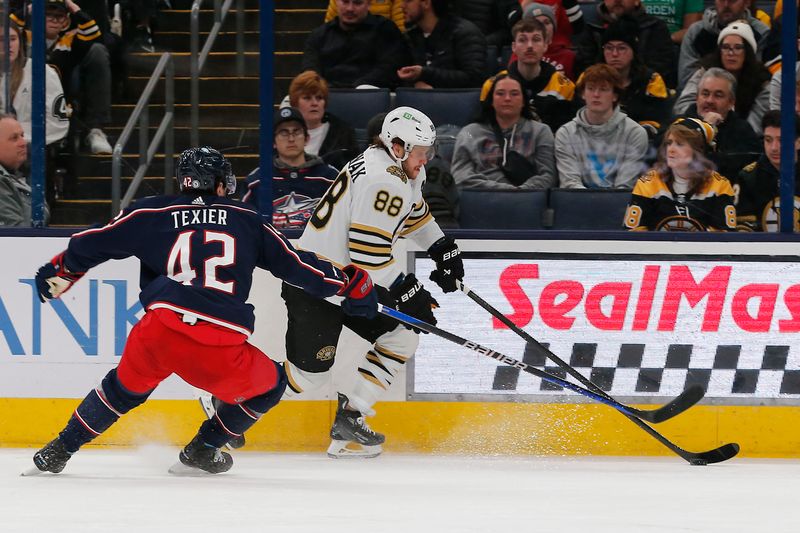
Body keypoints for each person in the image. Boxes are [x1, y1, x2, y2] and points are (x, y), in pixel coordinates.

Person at [26, 146, 380, 475]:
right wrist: (348, 283)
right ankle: (202, 449)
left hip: (159, 329)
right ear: (222, 183)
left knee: (120, 391)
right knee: (270, 386)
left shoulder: (151, 212)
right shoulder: (247, 219)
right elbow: (298, 268)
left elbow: (91, 243)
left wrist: (62, 271)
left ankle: (56, 451)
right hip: (217, 341)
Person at [207, 107, 465, 458]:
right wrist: (408, 289)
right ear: (399, 145)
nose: (426, 159)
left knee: (402, 338)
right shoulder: (382, 180)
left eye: (428, 151)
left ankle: (351, 415)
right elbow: (367, 254)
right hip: (317, 284)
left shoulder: (396, 167)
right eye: (422, 151)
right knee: (309, 377)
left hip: (348, 284)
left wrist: (442, 248)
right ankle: (225, 396)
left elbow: (414, 213)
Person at [12, 0, 114, 155]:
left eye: (59, 16)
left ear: (66, 22)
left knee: (98, 50)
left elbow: (94, 35)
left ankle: (95, 129)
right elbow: (8, 28)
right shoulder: (26, 38)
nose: (54, 19)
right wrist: (31, 9)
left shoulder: (70, 42)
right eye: (48, 15)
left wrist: (73, 8)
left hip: (61, 100)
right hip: (25, 99)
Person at [623, 117, 736, 231]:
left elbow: (725, 238)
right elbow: (632, 233)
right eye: (669, 143)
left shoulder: (719, 185)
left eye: (680, 144)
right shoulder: (648, 183)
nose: (671, 150)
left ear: (698, 151)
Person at [451, 71, 557, 190]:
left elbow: (548, 176)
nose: (507, 98)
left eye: (514, 94)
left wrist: (522, 192)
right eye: (500, 93)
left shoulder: (541, 131)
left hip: (527, 200)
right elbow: (460, 177)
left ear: (523, 101)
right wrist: (505, 190)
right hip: (482, 199)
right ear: (491, 100)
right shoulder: (469, 133)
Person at [242, 107, 339, 228]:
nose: (291, 139)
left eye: (297, 131)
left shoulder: (331, 177)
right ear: (273, 142)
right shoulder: (256, 181)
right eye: (284, 133)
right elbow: (245, 226)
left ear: (307, 138)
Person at [555, 63, 649, 189]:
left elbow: (625, 186)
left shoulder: (635, 133)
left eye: (603, 89)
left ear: (615, 96)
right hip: (578, 204)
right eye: (591, 88)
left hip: (619, 205)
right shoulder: (565, 133)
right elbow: (570, 183)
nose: (596, 94)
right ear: (583, 94)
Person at [674, 20, 771, 135]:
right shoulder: (705, 72)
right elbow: (682, 106)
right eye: (725, 47)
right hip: (698, 131)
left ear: (748, 51)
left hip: (739, 138)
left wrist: (725, 125)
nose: (731, 53)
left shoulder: (761, 80)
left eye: (738, 47)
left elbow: (755, 127)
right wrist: (704, 121)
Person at [673, 67, 760, 179]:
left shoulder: (743, 131)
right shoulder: (678, 125)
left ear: (731, 102)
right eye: (705, 94)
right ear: (697, 98)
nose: (710, 100)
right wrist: (704, 127)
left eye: (718, 95)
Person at [595, 15, 672, 141]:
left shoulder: (651, 80)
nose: (614, 54)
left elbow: (659, 121)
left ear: (633, 51)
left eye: (621, 48)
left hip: (640, 143)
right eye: (609, 48)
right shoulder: (590, 79)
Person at [302, 0, 412, 89]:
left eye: (357, 3)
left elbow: (389, 67)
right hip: (327, 96)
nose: (350, 8)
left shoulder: (385, 30)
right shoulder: (319, 35)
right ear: (336, 2)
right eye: (345, 2)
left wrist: (359, 86)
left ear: (368, 4)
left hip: (371, 96)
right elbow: (310, 69)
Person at [574, 0, 676, 89]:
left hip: (642, 93)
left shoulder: (654, 27)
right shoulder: (592, 27)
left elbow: (661, 69)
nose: (617, 0)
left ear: (637, 1)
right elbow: (584, 69)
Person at [0, 22, 70, 147]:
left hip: (29, 150)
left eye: (12, 39)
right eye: (1, 40)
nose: (7, 45)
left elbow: (57, 125)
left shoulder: (42, 72)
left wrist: (13, 135)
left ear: (20, 42)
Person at [677, 0, 770, 90]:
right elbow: (686, 80)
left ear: (747, 2)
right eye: (721, 0)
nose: (726, 5)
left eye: (732, 1)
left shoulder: (761, 32)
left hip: (748, 98)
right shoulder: (695, 32)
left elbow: (758, 77)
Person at [506, 18, 576, 133]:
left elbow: (569, 133)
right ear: (514, 47)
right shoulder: (495, 86)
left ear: (545, 45)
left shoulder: (564, 87)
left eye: (536, 40)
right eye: (522, 40)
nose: (529, 46)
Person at [398, 0, 487, 89]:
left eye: (408, 1)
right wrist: (415, 84)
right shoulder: (410, 37)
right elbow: (398, 77)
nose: (402, 6)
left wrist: (424, 74)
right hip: (417, 101)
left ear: (426, 3)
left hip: (456, 100)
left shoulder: (464, 33)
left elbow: (473, 78)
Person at [736, 110, 800, 232]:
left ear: (798, 142)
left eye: (782, 140)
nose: (774, 148)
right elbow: (743, 230)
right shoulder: (748, 177)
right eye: (768, 140)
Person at [286, 71, 359, 171]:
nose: (314, 103)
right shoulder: (283, 134)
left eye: (319, 98)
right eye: (307, 98)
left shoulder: (343, 133)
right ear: (295, 103)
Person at [507, 1, 584, 79]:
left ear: (554, 27)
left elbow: (579, 27)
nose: (543, 28)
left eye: (547, 22)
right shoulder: (520, 53)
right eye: (537, 23)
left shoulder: (569, 57)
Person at [0, 113, 47, 226]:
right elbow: (20, 234)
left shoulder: (18, 174)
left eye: (22, 135)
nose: (23, 143)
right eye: (14, 138)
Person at [325, 0, 406, 31]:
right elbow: (329, 28)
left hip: (382, 45)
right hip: (345, 46)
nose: (350, 8)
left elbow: (400, 28)